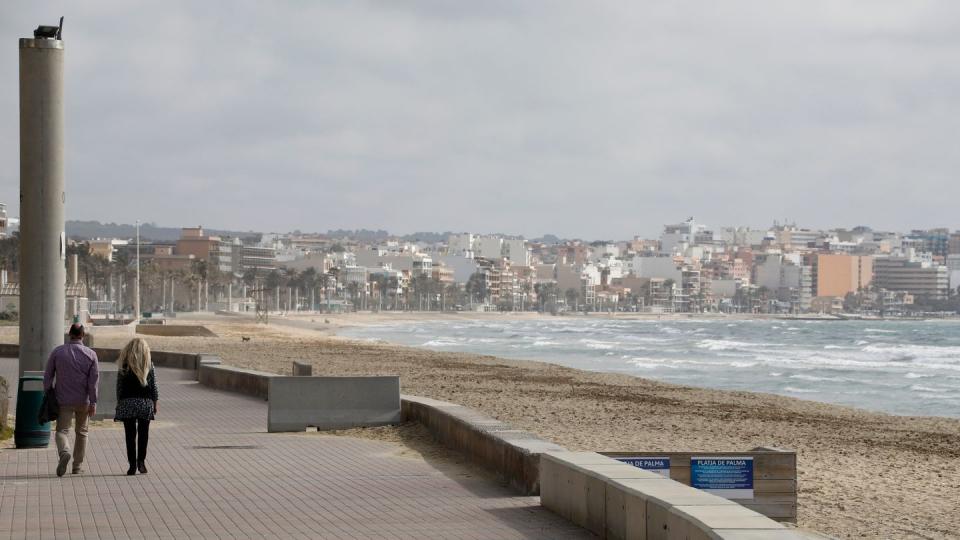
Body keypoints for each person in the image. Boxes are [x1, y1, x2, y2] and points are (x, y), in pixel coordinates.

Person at [43, 323, 99, 477]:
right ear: (83, 335)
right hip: (83, 401)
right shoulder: (91, 354)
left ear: (69, 334)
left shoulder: (58, 352)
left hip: (63, 400)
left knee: (62, 431)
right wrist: (93, 402)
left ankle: (64, 451)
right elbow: (93, 382)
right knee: (82, 432)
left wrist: (49, 392)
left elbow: (47, 376)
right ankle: (77, 466)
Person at [114, 338, 158, 475]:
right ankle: (141, 463)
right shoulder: (148, 364)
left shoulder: (124, 365)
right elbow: (154, 386)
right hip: (145, 403)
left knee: (130, 435)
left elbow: (119, 387)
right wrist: (155, 402)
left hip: (128, 402)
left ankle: (132, 465)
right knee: (144, 434)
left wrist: (119, 402)